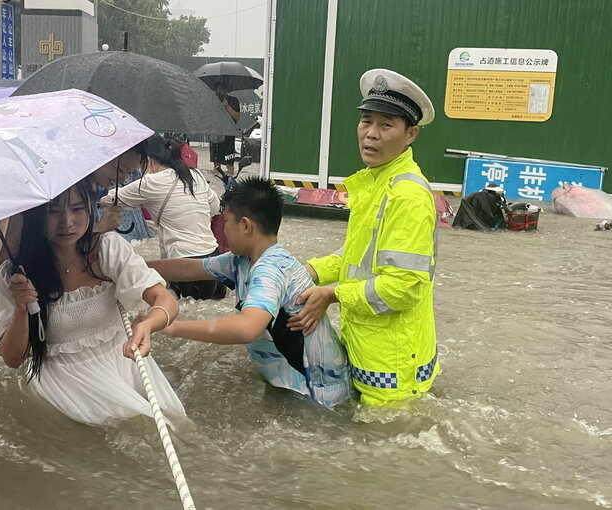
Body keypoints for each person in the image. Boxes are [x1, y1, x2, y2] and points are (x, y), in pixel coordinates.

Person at [287, 69, 440, 406]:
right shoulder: (375, 184)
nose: (371, 134)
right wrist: (310, 271)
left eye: (386, 125)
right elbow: (357, 258)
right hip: (368, 351)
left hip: (393, 371)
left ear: (410, 134)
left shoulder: (406, 196)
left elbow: (401, 287)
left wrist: (331, 294)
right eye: (366, 121)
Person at [131, 177, 352, 409]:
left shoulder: (270, 270)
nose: (222, 229)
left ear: (246, 226)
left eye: (226, 221)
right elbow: (190, 268)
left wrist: (170, 327)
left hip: (320, 395)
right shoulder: (242, 260)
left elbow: (246, 328)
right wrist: (132, 266)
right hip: (292, 384)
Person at [0, 179, 185, 425]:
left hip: (126, 366)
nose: (67, 222)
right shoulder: (14, 276)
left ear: (90, 207)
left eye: (77, 209)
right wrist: (22, 308)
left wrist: (148, 325)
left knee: (173, 426)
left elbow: (166, 301)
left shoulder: (107, 250)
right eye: (53, 211)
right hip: (65, 385)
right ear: (36, 215)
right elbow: (13, 360)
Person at [0, 144, 148, 297]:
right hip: (24, 281)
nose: (122, 179)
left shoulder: (91, 186)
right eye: (120, 170)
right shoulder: (54, 184)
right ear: (101, 156)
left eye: (129, 173)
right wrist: (99, 229)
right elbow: (34, 241)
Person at [101, 134, 226, 300]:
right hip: (215, 263)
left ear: (149, 160)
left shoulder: (150, 183)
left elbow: (107, 200)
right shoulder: (195, 175)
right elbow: (215, 207)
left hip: (184, 267)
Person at [209, 84, 240, 178]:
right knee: (216, 167)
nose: (219, 93)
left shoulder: (233, 100)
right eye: (216, 91)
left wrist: (226, 106)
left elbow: (237, 117)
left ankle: (229, 181)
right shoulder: (212, 101)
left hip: (229, 136)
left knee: (229, 165)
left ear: (226, 90)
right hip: (216, 135)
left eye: (221, 91)